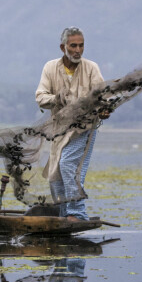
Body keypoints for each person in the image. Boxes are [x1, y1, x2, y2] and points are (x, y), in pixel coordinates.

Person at [35, 26, 110, 220]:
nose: (78, 50)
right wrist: (56, 98)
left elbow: (103, 95)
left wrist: (105, 108)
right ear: (63, 47)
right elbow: (41, 97)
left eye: (81, 45)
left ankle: (77, 213)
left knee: (69, 164)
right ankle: (63, 215)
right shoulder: (50, 68)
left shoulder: (91, 68)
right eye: (73, 46)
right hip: (59, 129)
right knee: (55, 174)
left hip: (83, 128)